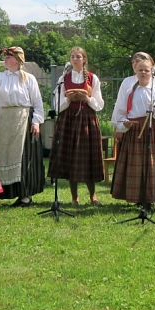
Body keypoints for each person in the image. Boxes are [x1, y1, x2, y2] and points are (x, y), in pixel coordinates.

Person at [111, 56, 155, 213]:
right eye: (141, 70)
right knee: (140, 168)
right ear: (136, 72)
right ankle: (145, 201)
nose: (144, 73)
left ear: (152, 72)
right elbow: (121, 114)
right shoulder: (129, 92)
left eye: (147, 70)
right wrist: (124, 123)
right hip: (136, 131)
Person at [0, 46, 44, 207]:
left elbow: (37, 101)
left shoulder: (28, 78)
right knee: (1, 154)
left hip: (22, 119)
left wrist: (36, 122)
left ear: (18, 60)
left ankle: (25, 195)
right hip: (4, 119)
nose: (5, 59)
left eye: (9, 57)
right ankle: (0, 191)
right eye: (5, 57)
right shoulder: (0, 76)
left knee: (23, 156)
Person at [47, 46, 105, 207]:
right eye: (72, 56)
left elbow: (99, 105)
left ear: (84, 59)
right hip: (68, 120)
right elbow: (56, 106)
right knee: (71, 157)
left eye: (78, 56)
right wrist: (69, 99)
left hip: (87, 119)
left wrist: (86, 99)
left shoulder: (93, 78)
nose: (75, 59)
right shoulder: (63, 79)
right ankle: (74, 198)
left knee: (88, 157)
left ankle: (93, 196)